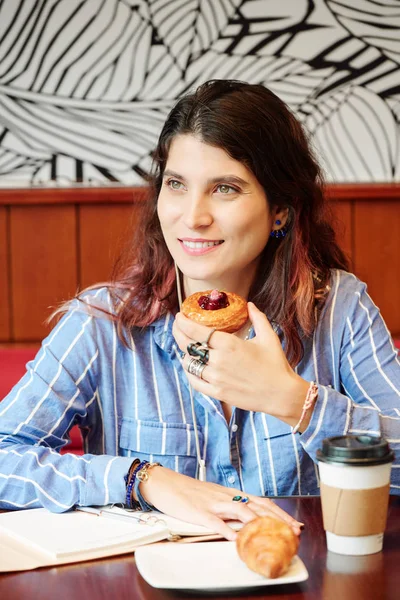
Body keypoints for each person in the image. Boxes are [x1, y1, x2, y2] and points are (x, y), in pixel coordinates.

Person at [0, 80, 399, 540]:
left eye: (225, 188)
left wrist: (294, 402)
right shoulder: (102, 322)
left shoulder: (339, 309)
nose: (193, 217)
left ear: (280, 212)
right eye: (176, 185)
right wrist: (145, 479)